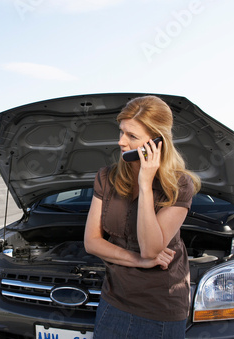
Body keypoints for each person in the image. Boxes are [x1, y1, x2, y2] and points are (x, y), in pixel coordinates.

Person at [84, 95, 201, 338]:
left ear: (157, 142)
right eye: (121, 132)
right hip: (114, 299)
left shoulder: (180, 185)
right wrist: (138, 261)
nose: (121, 142)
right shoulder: (106, 177)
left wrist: (146, 184)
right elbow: (92, 242)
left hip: (160, 306)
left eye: (132, 136)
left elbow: (150, 248)